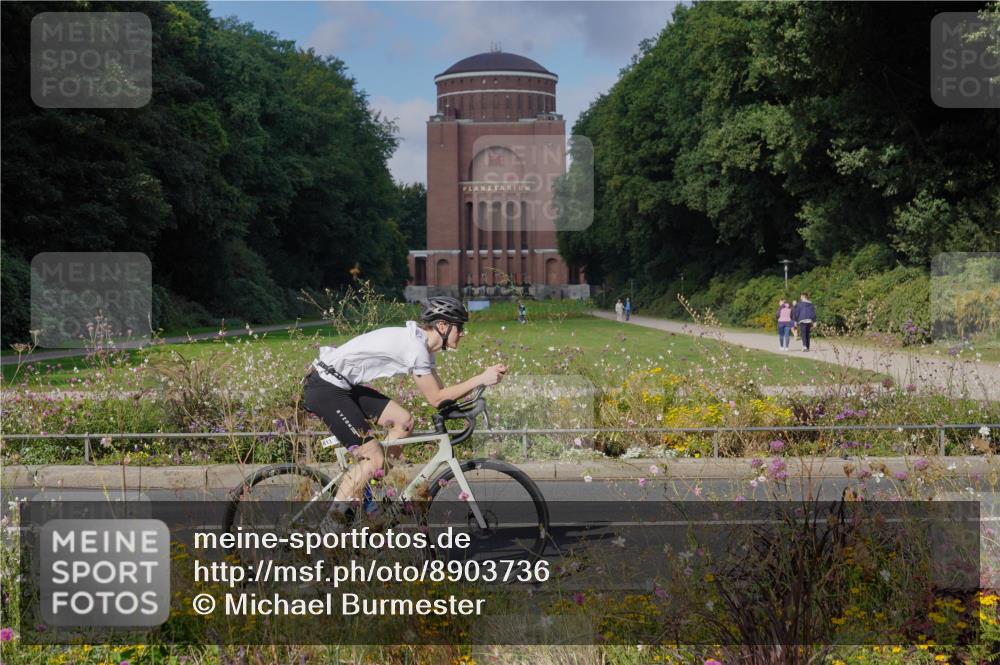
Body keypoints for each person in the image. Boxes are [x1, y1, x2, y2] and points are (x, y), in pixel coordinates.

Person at [302, 296, 507, 512]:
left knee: (404, 422)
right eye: (460, 326)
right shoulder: (416, 348)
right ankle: (331, 525)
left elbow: (442, 399)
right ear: (442, 326)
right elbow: (436, 398)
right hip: (325, 388)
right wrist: (480, 379)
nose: (463, 332)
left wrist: (467, 402)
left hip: (341, 385)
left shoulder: (424, 349)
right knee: (374, 458)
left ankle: (368, 487)